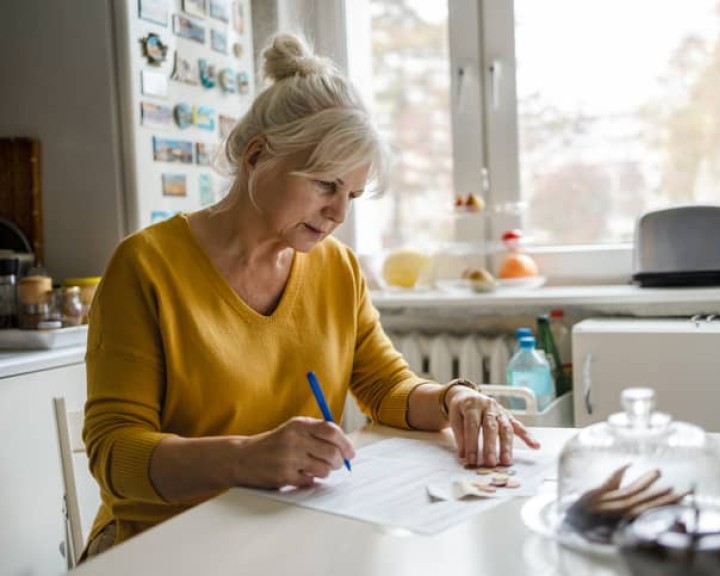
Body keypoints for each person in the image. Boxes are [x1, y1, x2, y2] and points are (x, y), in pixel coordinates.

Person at [81, 32, 539, 560]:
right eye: (325, 184)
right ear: (256, 157)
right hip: (161, 544)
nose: (338, 214)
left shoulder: (338, 268)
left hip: (282, 530)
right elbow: (114, 455)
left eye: (351, 195)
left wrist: (456, 398)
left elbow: (386, 386)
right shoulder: (146, 266)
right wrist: (243, 457)